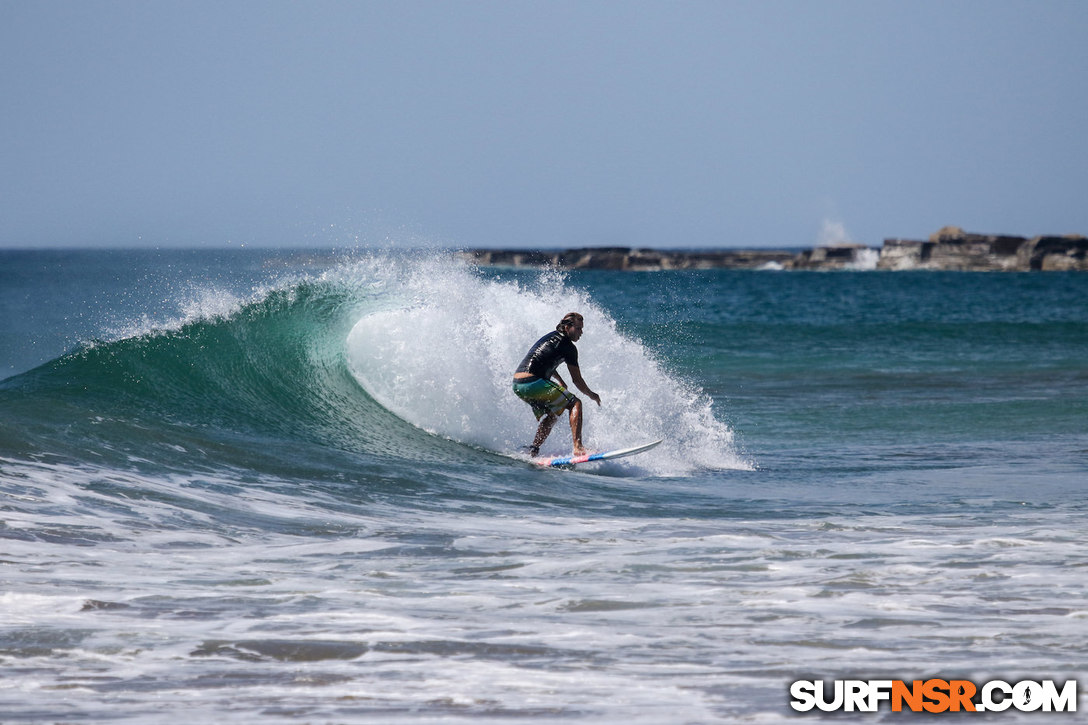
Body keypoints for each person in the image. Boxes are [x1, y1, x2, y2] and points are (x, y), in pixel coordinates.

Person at [512, 312, 601, 457]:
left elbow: (542, 360)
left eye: (582, 329)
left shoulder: (551, 337)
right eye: (578, 328)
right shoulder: (568, 347)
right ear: (567, 327)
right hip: (532, 382)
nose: (581, 332)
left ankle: (534, 449)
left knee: (553, 413)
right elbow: (577, 381)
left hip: (518, 384)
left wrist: (559, 380)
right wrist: (592, 395)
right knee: (575, 403)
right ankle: (578, 447)